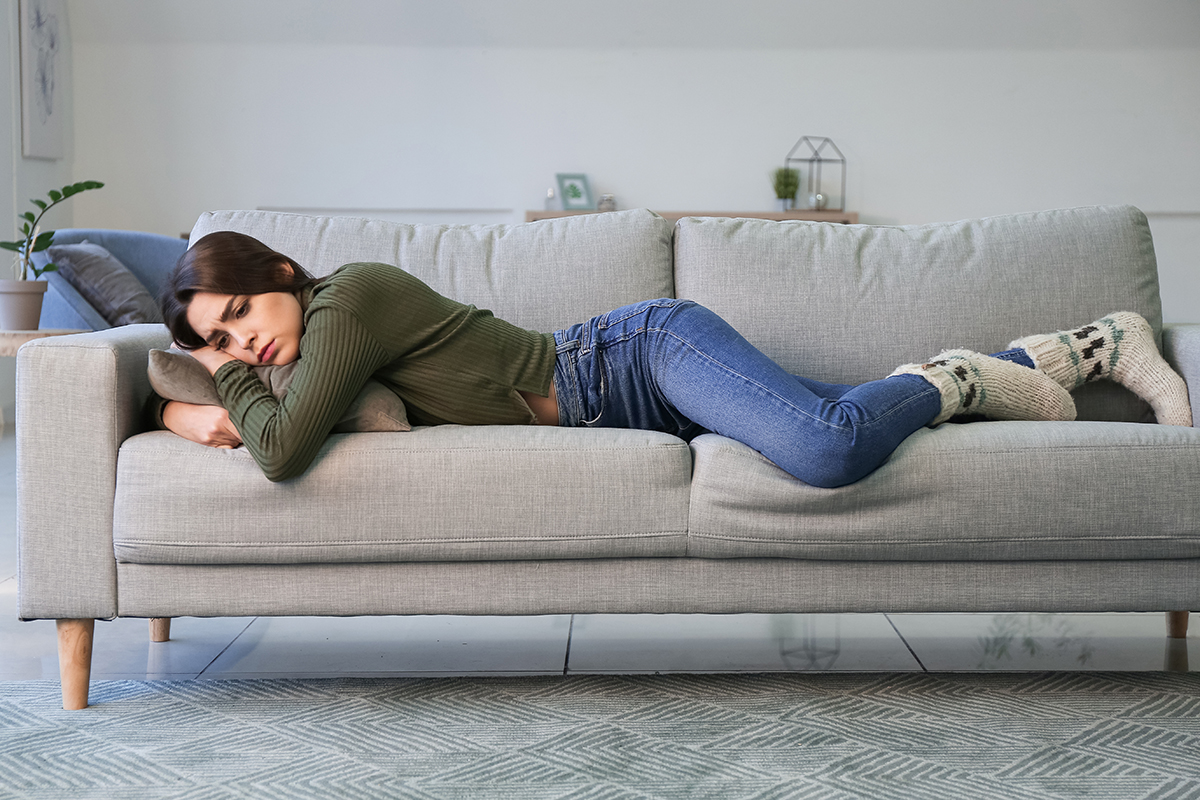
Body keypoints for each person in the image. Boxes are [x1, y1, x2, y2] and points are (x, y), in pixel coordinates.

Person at [157, 231, 1192, 485]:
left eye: (242, 311)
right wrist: (180, 402)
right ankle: (1081, 347)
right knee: (846, 410)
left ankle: (960, 374)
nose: (241, 340)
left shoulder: (349, 302)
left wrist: (218, 396)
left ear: (286, 271)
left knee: (829, 452)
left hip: (641, 357)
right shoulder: (310, 337)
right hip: (637, 408)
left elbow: (283, 452)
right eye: (218, 337)